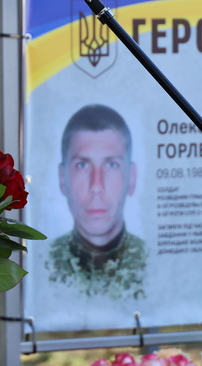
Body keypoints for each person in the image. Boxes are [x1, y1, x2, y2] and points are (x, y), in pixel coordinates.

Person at [46, 104, 147, 299]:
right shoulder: (37, 265)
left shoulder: (157, 264)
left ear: (132, 178)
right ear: (62, 179)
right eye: (82, 165)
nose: (96, 185)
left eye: (111, 165)